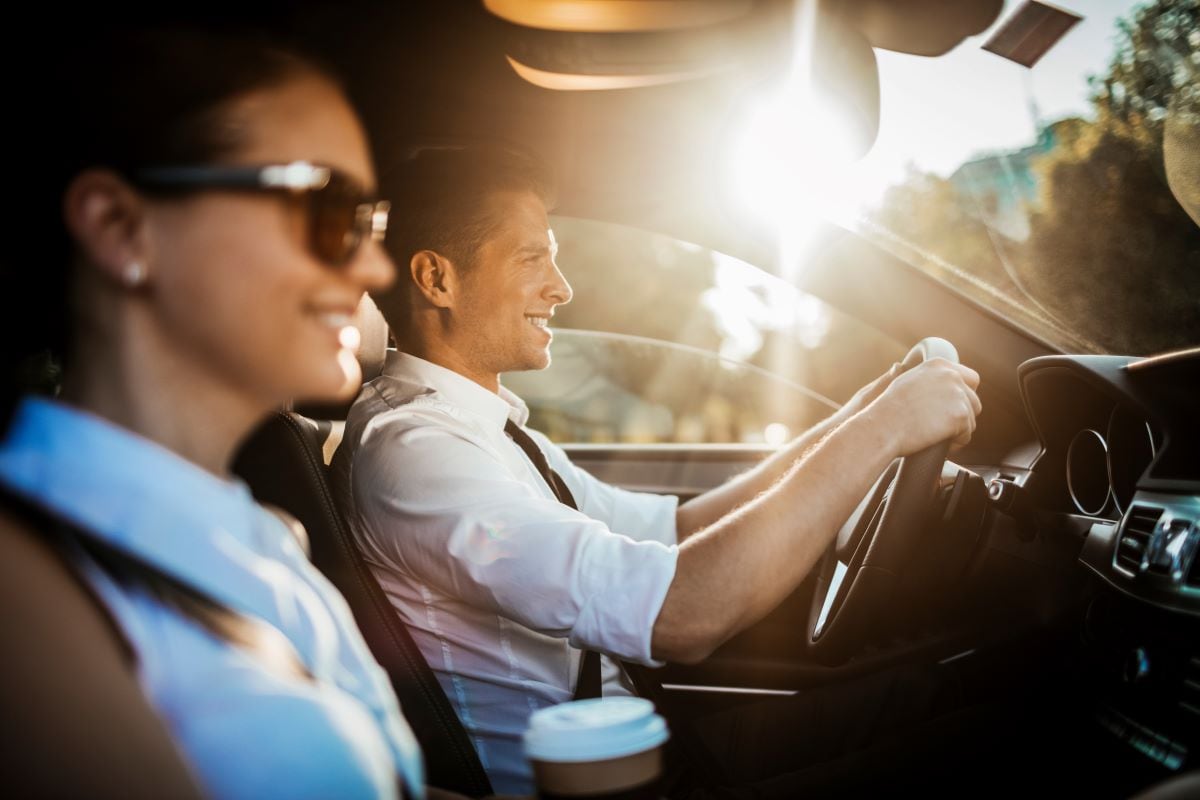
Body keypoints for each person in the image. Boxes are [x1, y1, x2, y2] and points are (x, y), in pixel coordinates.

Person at [331, 146, 984, 795]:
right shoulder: (419, 454)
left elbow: (678, 528)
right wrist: (883, 431)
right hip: (606, 785)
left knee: (926, 696)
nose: (562, 287)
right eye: (533, 258)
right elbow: (681, 615)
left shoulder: (488, 431)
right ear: (436, 279)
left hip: (642, 751)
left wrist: (861, 415)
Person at [0, 27, 427, 799]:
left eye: (372, 220)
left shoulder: (262, 533)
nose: (373, 265)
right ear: (120, 227)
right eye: (325, 206)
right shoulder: (22, 589)